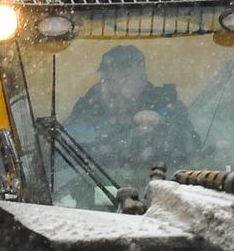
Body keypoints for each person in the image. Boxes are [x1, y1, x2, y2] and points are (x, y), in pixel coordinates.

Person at [64, 44, 201, 173]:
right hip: (97, 187)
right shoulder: (89, 107)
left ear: (143, 79)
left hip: (162, 185)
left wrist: (161, 125)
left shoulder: (165, 104)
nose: (116, 88)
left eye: (126, 79)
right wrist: (114, 136)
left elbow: (193, 146)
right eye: (109, 80)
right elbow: (66, 147)